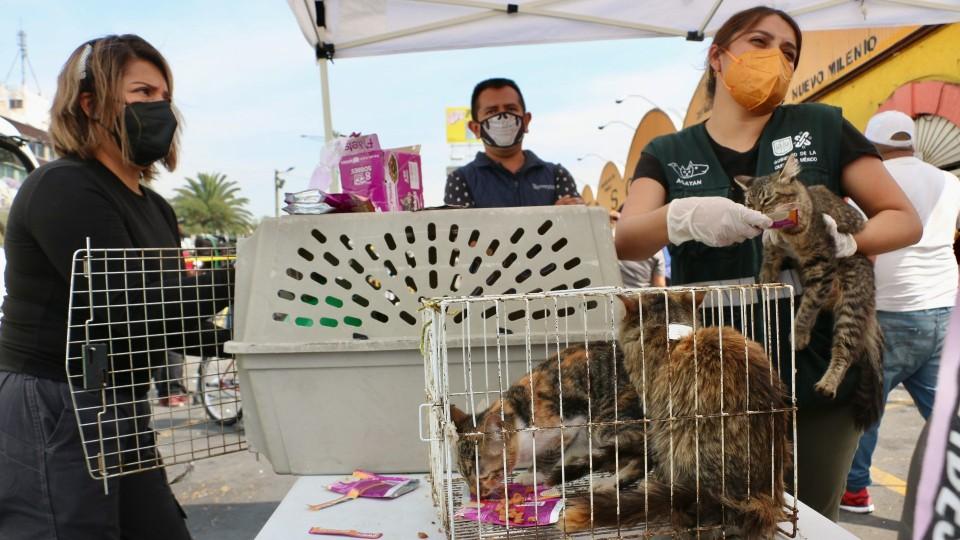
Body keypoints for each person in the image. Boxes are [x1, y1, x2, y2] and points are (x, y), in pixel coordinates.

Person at [614, 6, 921, 521]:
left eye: (789, 52)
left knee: (811, 520)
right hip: (711, 377)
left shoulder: (822, 127)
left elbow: (902, 218)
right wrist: (681, 216)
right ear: (718, 56)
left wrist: (845, 240)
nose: (775, 57)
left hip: (819, 369)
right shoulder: (666, 152)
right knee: (720, 516)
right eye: (759, 42)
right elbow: (627, 241)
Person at [0, 35, 229, 539]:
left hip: (120, 401)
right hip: (56, 406)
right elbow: (132, 306)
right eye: (142, 93)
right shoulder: (64, 187)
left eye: (164, 96)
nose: (158, 108)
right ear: (89, 103)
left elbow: (171, 323)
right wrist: (245, 271)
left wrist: (248, 341)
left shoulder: (156, 209)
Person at [841, 110, 960, 513]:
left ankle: (856, 490)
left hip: (889, 312)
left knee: (866, 407)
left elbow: (864, 252)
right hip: (943, 310)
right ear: (912, 142)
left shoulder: (869, 185)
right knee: (947, 413)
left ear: (873, 147)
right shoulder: (951, 182)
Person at [444, 77, 583, 208]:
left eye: (511, 109)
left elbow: (577, 226)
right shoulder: (461, 180)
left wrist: (569, 213)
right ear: (475, 128)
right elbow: (461, 230)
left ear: (526, 121)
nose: (503, 117)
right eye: (491, 111)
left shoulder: (556, 175)